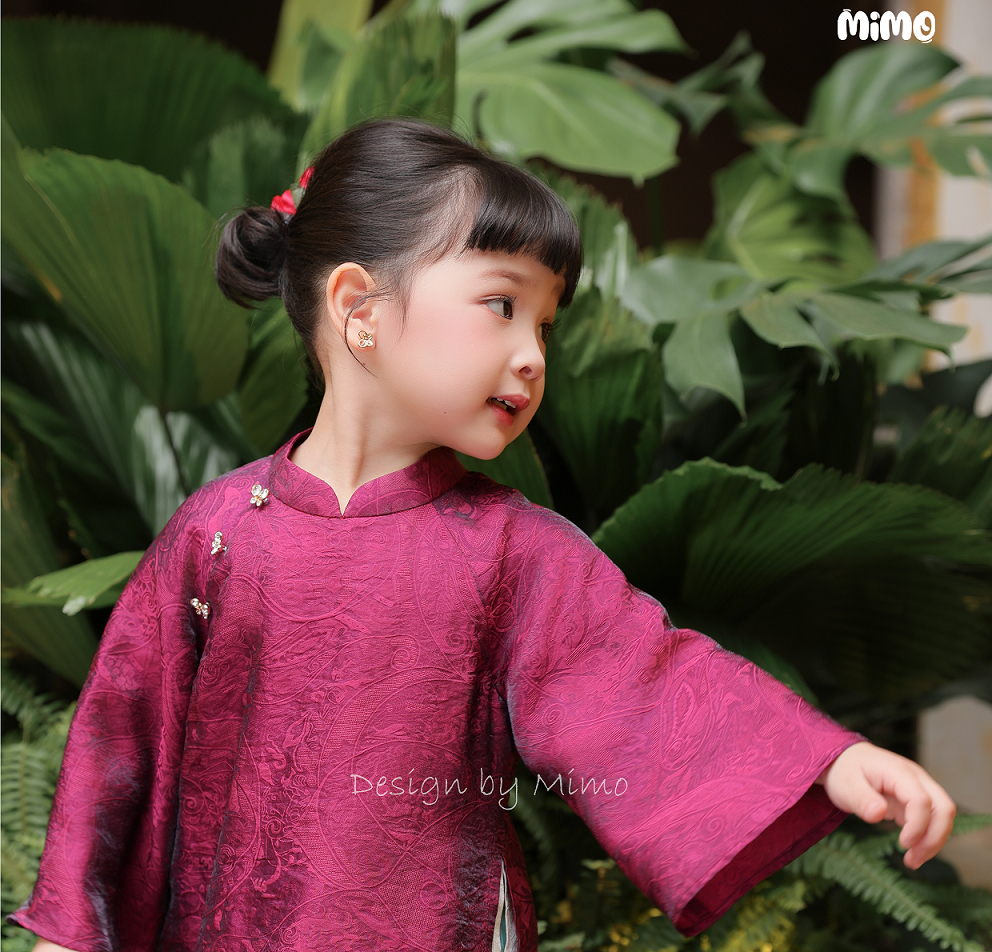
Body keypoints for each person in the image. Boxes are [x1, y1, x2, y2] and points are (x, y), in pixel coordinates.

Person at [11, 119, 955, 952]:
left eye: (546, 323)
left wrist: (825, 760)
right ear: (359, 309)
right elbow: (120, 744)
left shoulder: (512, 550)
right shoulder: (216, 535)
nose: (532, 355)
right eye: (503, 305)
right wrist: (68, 931)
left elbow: (642, 681)